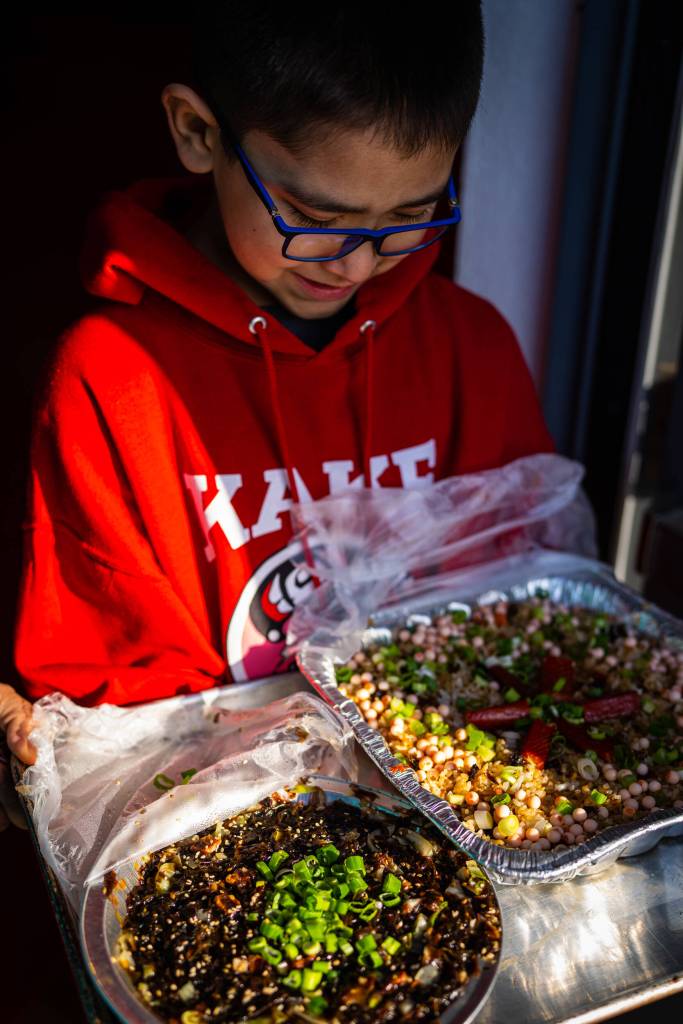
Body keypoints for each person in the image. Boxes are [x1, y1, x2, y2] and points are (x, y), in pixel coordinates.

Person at [1, 3, 559, 826]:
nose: (360, 262)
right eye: (318, 218)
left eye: (409, 214)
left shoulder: (467, 344)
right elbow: (113, 712)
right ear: (197, 132)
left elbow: (520, 601)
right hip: (228, 819)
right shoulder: (112, 380)